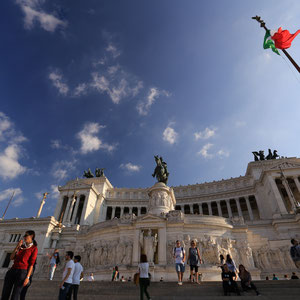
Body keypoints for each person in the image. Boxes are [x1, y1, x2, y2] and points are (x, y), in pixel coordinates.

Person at [1, 230, 38, 300]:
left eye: (26, 236)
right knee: (5, 292)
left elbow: (31, 264)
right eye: (24, 236)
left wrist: (27, 277)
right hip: (12, 270)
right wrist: (17, 246)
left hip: (22, 272)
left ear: (31, 236)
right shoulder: (21, 246)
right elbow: (11, 257)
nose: (24, 237)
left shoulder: (34, 248)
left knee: (16, 294)